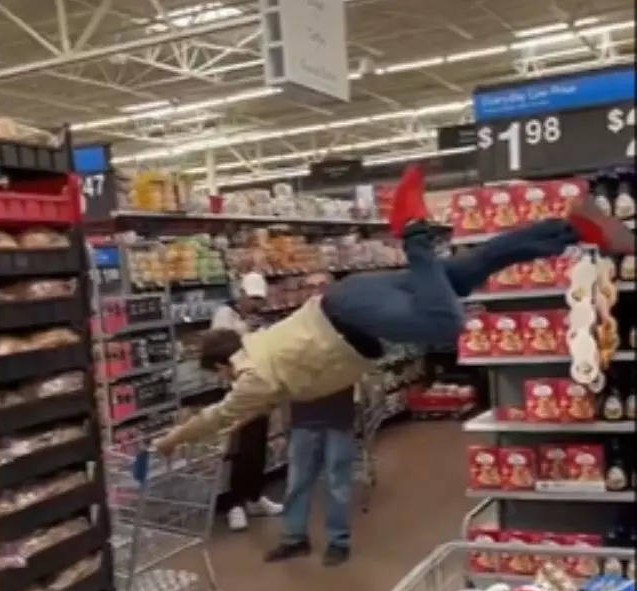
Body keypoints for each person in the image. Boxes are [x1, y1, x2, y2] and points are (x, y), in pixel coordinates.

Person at [154, 165, 633, 457]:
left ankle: (412, 227)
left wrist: (171, 440)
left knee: (448, 324)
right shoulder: (257, 345)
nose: (224, 384)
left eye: (220, 377)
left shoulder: (252, 376)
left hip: (354, 316)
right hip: (353, 301)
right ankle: (573, 229)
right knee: (475, 267)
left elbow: (220, 416)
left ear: (223, 366)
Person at [212, 271, 282, 531]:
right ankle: (235, 505)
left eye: (259, 300)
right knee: (239, 448)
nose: (256, 304)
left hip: (258, 388)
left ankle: (254, 496)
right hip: (234, 391)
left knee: (257, 445)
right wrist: (245, 333)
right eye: (252, 298)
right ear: (240, 294)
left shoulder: (257, 319)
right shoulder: (224, 315)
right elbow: (218, 351)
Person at [265, 387, 357, 566]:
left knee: (337, 481)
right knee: (297, 481)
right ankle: (294, 539)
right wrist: (286, 412)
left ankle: (338, 542)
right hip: (303, 416)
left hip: (338, 416)